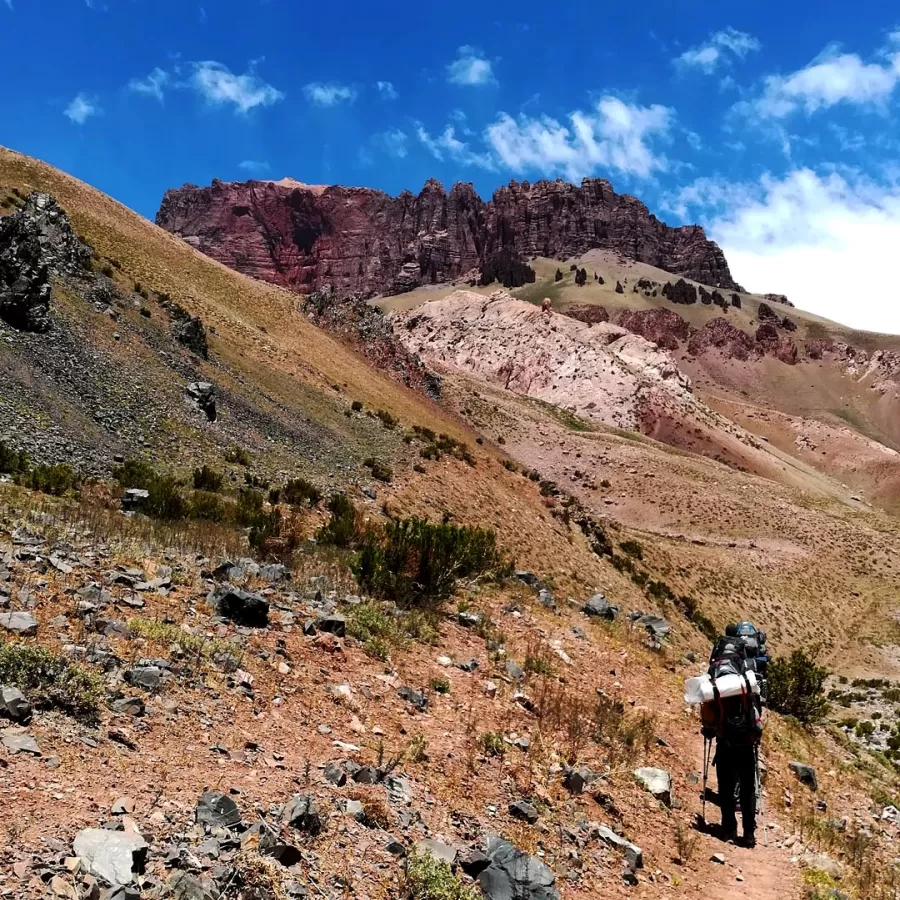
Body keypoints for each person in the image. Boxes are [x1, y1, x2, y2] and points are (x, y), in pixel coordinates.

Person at [706, 623, 763, 847]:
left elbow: (708, 713)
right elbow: (757, 711)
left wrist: (709, 730)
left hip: (725, 741)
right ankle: (749, 833)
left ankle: (729, 828)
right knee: (748, 787)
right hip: (747, 743)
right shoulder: (747, 680)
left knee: (726, 786)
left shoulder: (715, 679)